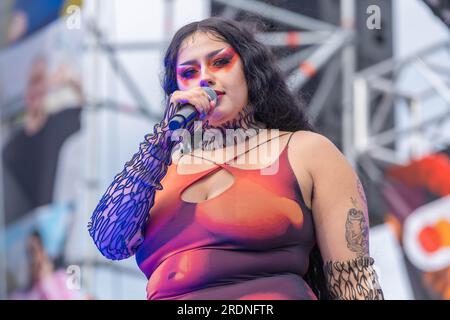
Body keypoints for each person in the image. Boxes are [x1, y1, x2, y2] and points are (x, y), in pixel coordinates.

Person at [88, 17, 384, 300]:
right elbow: (110, 242)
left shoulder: (306, 151)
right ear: (177, 91)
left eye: (220, 62)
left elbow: (353, 280)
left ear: (250, 72)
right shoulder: (159, 172)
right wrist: (162, 140)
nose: (205, 77)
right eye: (189, 73)